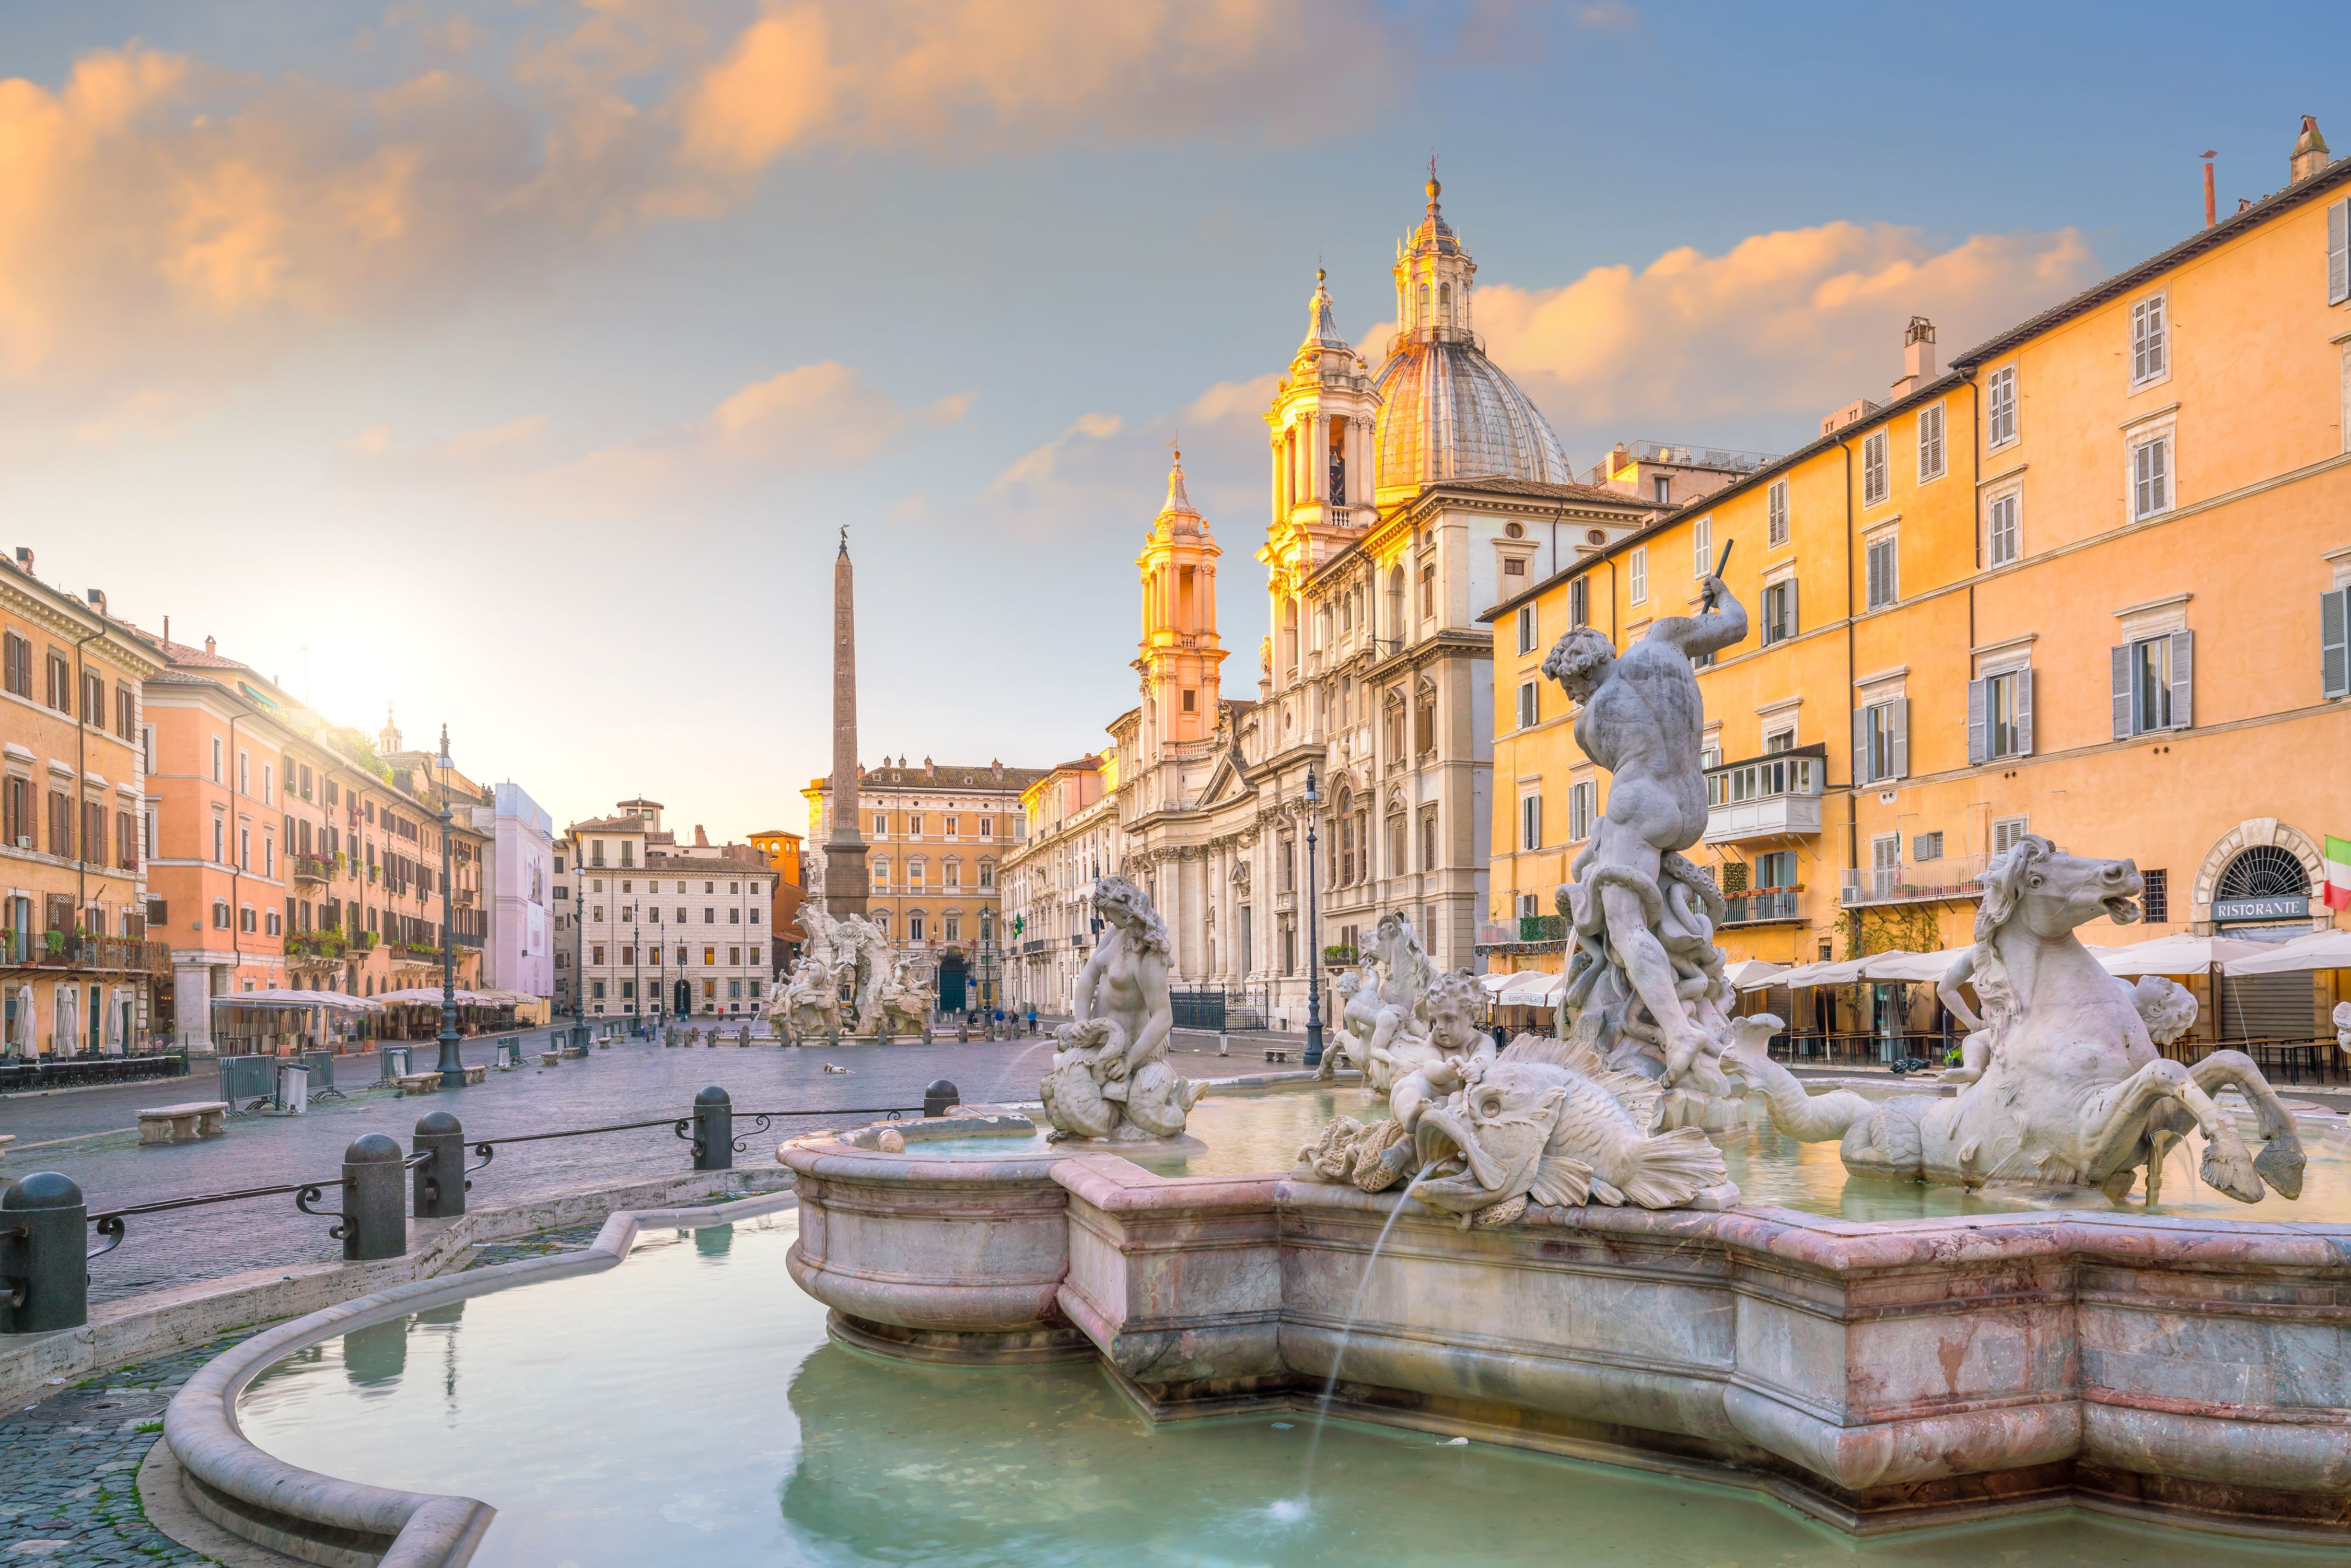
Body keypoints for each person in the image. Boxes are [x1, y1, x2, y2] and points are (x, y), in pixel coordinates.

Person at [1542, 571, 1748, 1085]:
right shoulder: (1664, 638)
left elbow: (1619, 769)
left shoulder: (1588, 723)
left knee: (1626, 923)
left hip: (1640, 801)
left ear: (1582, 680)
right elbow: (1738, 624)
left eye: (1571, 690)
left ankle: (1678, 1031)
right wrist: (1719, 596)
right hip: (1691, 805)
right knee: (1598, 846)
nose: (1573, 699)